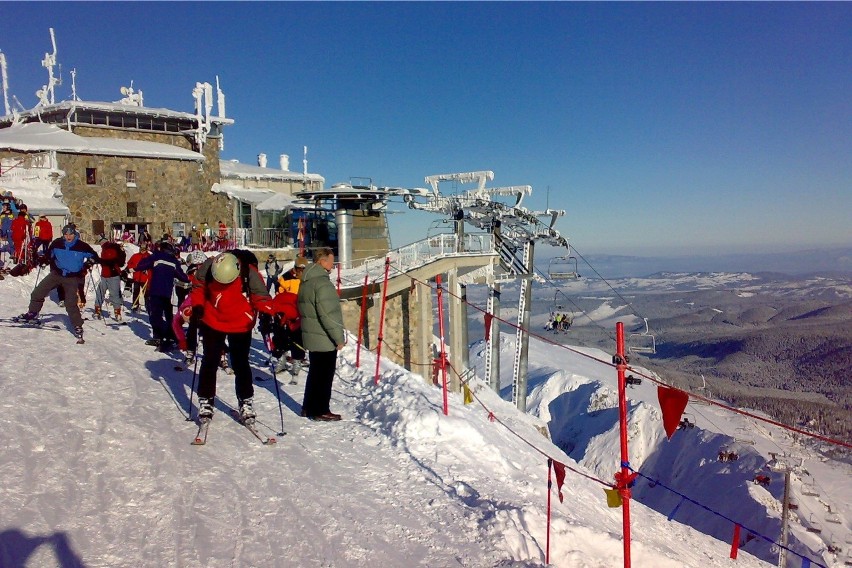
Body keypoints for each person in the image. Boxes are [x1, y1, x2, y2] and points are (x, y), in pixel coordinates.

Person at [190, 250, 274, 423]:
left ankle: (245, 400)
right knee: (210, 360)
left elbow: (261, 296)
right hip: (212, 319)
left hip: (240, 322)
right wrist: (198, 305)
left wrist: (267, 314)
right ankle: (206, 399)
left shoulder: (248, 273)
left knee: (240, 362)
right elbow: (198, 285)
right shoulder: (209, 266)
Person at [14, 224, 98, 342]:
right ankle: (33, 313)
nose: (68, 237)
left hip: (72, 277)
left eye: (71, 234)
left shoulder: (82, 246)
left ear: (75, 234)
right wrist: (44, 260)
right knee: (38, 292)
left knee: (70, 303)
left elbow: (95, 256)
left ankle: (77, 325)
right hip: (56, 274)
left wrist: (90, 262)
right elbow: (49, 255)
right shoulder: (57, 243)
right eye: (66, 234)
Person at [298, 247, 345, 421]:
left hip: (312, 334)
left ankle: (308, 406)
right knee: (324, 375)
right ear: (322, 261)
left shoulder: (307, 281)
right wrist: (339, 338)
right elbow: (329, 314)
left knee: (315, 373)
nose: (333, 264)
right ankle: (320, 409)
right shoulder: (323, 283)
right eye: (331, 260)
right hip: (323, 337)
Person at [136, 241, 189, 351]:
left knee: (156, 315)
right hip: (167, 293)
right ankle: (170, 336)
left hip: (155, 291)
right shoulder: (174, 261)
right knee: (168, 315)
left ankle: (160, 337)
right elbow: (182, 277)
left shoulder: (156, 257)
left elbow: (141, 265)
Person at [93, 236, 127, 320]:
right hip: (108, 274)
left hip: (111, 274)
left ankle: (101, 311)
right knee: (111, 293)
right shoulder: (108, 248)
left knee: (104, 293)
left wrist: (99, 260)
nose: (100, 244)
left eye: (100, 242)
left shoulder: (109, 248)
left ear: (102, 242)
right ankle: (116, 312)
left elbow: (110, 262)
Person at [125, 243, 152, 313]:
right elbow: (129, 264)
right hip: (137, 277)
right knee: (136, 292)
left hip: (145, 278)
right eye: (141, 249)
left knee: (146, 294)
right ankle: (135, 305)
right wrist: (129, 269)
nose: (142, 250)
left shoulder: (149, 256)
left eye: (144, 249)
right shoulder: (135, 256)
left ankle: (148, 306)